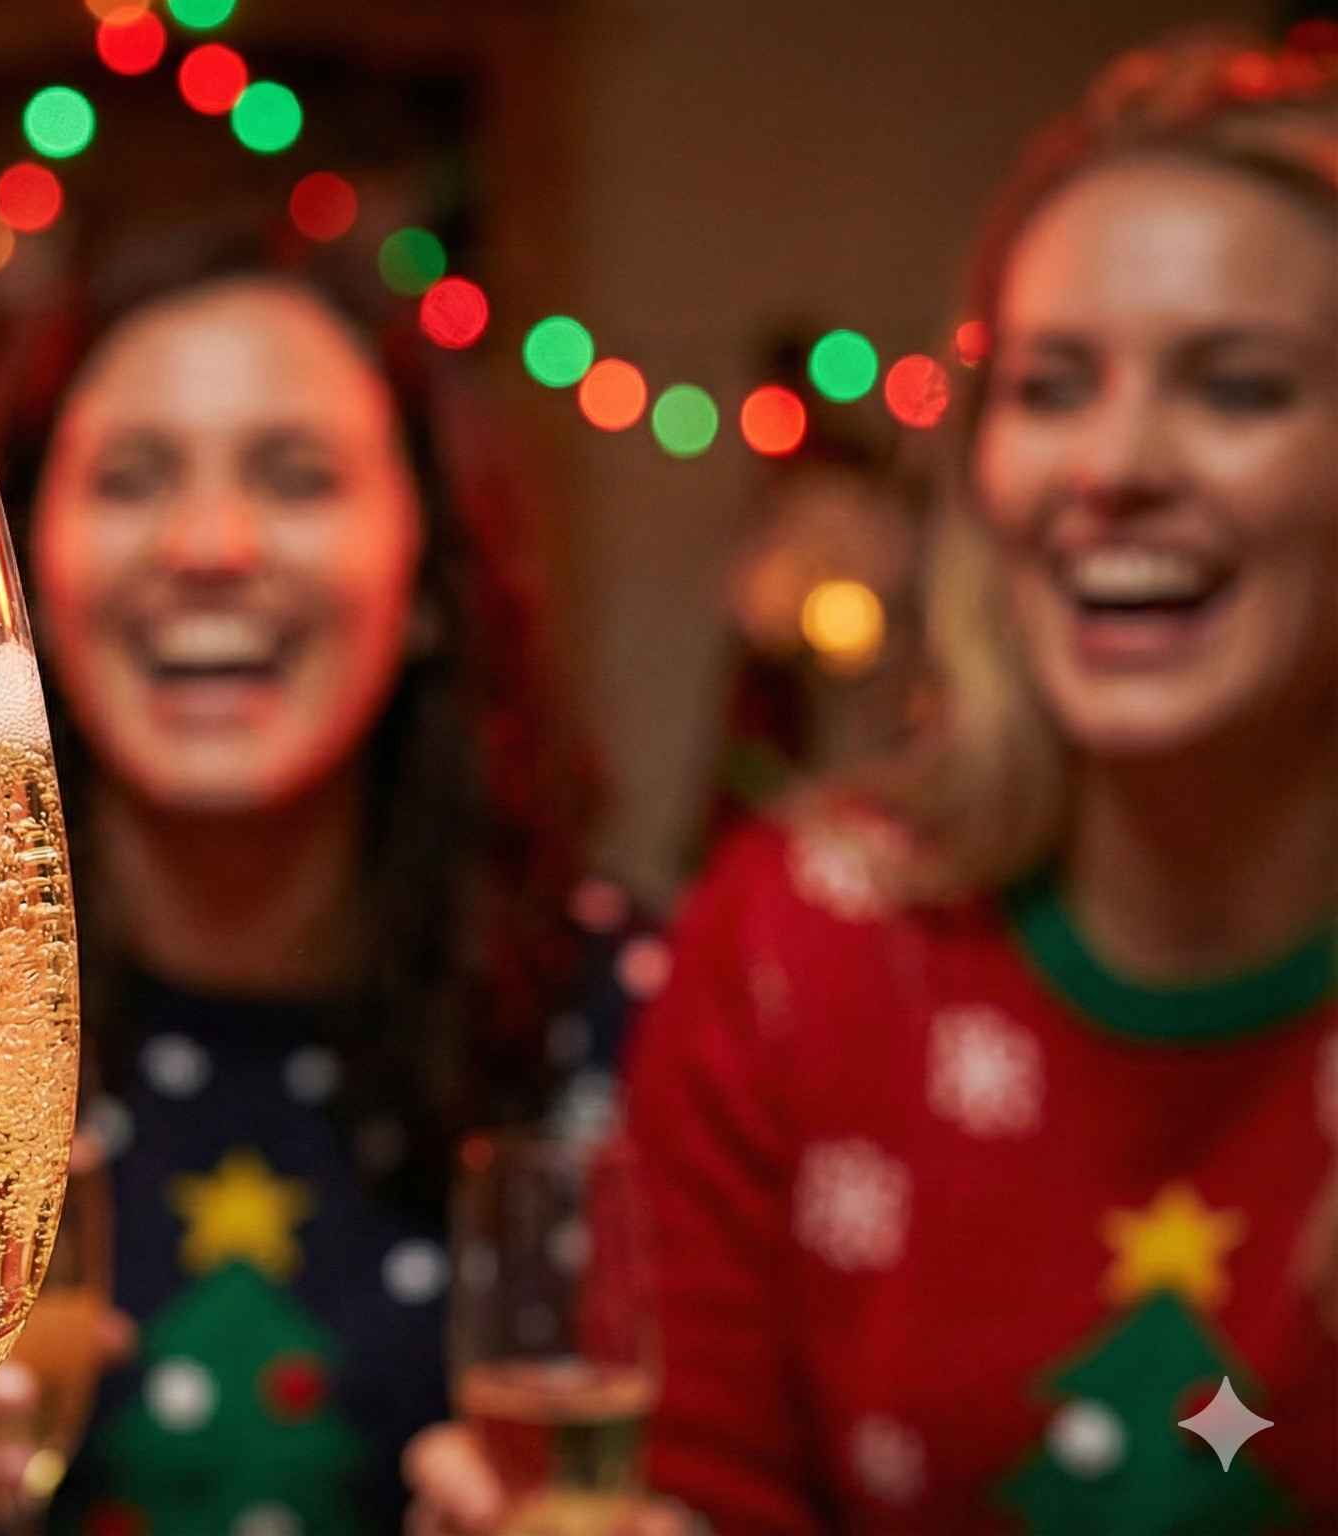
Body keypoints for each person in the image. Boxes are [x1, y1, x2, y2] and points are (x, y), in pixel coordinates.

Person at [409, 26, 1338, 1534]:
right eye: (1050, 388)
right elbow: (692, 1486)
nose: (1114, 463)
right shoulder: (800, 939)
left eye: (1235, 388)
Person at [0, 229, 653, 1536]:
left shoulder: (623, 1012)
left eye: (296, 477)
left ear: (432, 581)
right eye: (129, 480)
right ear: (13, 585)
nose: (212, 545)